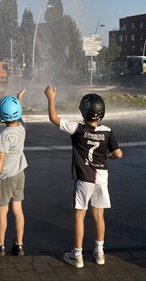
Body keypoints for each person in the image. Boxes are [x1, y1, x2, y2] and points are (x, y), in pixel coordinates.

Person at [44, 85, 122, 269]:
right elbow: (118, 153)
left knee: (80, 215)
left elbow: (53, 118)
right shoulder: (108, 131)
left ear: (83, 111)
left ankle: (77, 255)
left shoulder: (77, 129)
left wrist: (51, 98)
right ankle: (99, 252)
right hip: (101, 177)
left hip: (83, 178)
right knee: (99, 215)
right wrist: (108, 156)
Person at [0, 89, 27, 257]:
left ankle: (0, 245)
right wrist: (19, 99)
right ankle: (19, 246)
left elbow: (1, 159)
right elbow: (20, 116)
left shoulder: (4, 135)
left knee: (2, 212)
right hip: (20, 174)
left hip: (5, 178)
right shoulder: (22, 128)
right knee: (18, 210)